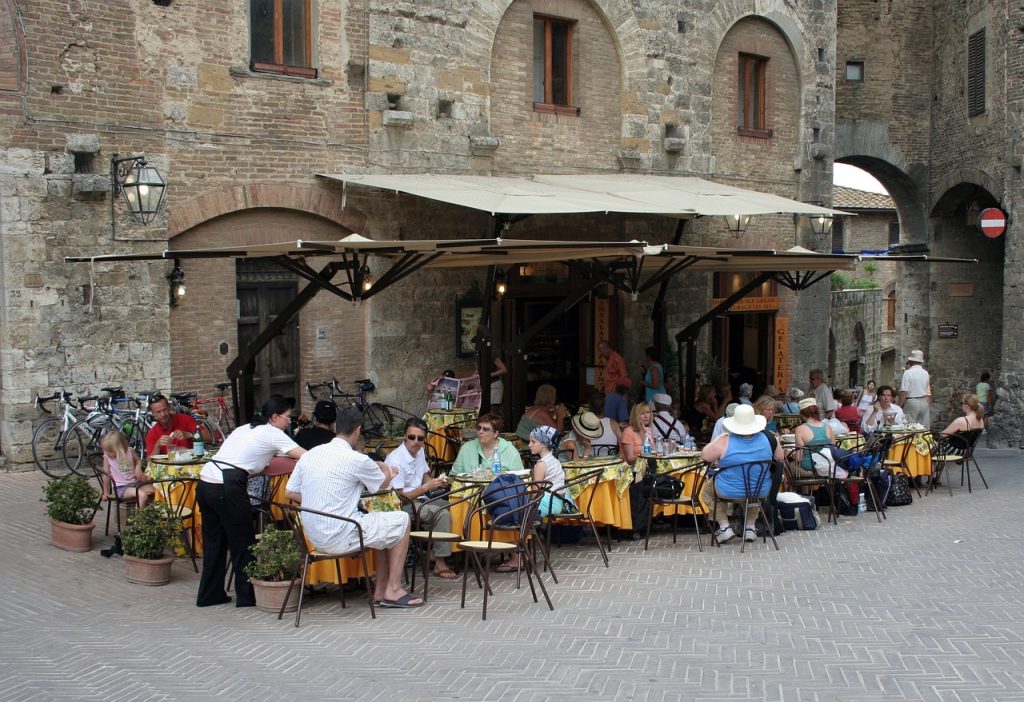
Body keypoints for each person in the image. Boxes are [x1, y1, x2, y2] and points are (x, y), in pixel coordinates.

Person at [285, 407, 423, 608]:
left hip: (313, 537)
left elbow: (289, 492)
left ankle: (380, 591)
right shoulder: (357, 459)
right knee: (401, 520)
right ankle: (394, 589)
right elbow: (382, 485)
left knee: (384, 525)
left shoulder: (310, 455)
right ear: (358, 430)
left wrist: (320, 502)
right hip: (342, 534)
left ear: (335, 427)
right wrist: (384, 467)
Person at [196, 395, 306, 608]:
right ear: (274, 417)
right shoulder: (273, 432)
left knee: (214, 542)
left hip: (206, 480)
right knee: (243, 541)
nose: (289, 422)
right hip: (228, 484)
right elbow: (305, 455)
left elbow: (245, 457)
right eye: (287, 417)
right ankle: (247, 597)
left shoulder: (244, 428)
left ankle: (209, 594)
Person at [385, 417, 456, 581]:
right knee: (441, 513)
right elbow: (400, 498)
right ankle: (440, 562)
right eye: (412, 437)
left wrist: (436, 482)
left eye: (420, 438)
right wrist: (427, 487)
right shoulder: (396, 460)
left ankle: (441, 552)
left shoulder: (419, 451)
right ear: (404, 436)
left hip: (422, 498)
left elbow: (424, 475)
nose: (416, 442)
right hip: (404, 505)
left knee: (456, 505)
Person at [700, 404, 783, 543]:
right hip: (760, 490)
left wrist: (718, 437)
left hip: (729, 490)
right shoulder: (769, 438)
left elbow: (705, 456)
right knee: (753, 490)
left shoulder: (724, 440)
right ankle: (750, 528)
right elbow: (780, 458)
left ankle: (725, 527)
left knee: (708, 490)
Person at [498, 426, 570, 573]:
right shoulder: (553, 460)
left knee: (513, 512)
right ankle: (520, 553)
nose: (529, 445)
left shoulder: (541, 464)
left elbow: (536, 492)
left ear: (543, 444)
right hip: (557, 501)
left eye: (533, 441)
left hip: (548, 502)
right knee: (516, 508)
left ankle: (517, 557)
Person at [452, 414, 524, 475]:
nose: (480, 432)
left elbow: (520, 479)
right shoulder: (466, 448)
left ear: (495, 434)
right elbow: (454, 475)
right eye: (479, 428)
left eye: (485, 429)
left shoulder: (510, 451)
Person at [99, 430, 154, 507]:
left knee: (157, 491)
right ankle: (137, 518)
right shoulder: (107, 457)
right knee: (142, 495)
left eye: (110, 451)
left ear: (119, 448)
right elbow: (106, 475)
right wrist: (105, 492)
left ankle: (149, 513)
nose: (106, 453)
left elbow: (138, 460)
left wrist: (138, 468)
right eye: (105, 450)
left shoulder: (130, 451)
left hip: (135, 483)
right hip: (121, 488)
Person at [793, 397, 835, 477]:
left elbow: (799, 458)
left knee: (788, 466)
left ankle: (795, 489)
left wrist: (790, 454)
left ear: (802, 414)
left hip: (809, 467)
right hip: (827, 466)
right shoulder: (828, 427)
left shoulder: (800, 429)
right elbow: (833, 449)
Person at [899, 349, 931, 426]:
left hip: (912, 401)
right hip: (923, 401)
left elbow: (904, 391)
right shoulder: (925, 373)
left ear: (911, 361)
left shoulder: (908, 373)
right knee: (923, 427)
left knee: (908, 426)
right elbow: (927, 389)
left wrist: (899, 406)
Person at [619, 402, 656, 466]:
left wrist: (650, 438)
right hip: (631, 470)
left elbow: (655, 453)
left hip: (646, 468)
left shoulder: (648, 430)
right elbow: (629, 459)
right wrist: (644, 455)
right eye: (642, 413)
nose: (646, 416)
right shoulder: (629, 431)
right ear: (636, 416)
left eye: (648, 412)